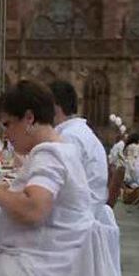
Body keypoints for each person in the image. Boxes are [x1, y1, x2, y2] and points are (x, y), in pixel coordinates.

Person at [0, 80, 101, 276]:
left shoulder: (49, 152)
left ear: (29, 118)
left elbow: (34, 210)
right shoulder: (63, 148)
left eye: (8, 124)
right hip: (60, 266)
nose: (6, 133)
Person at [50, 81, 108, 212]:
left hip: (81, 212)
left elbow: (60, 184)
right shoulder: (78, 130)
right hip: (89, 204)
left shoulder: (69, 137)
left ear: (54, 108)